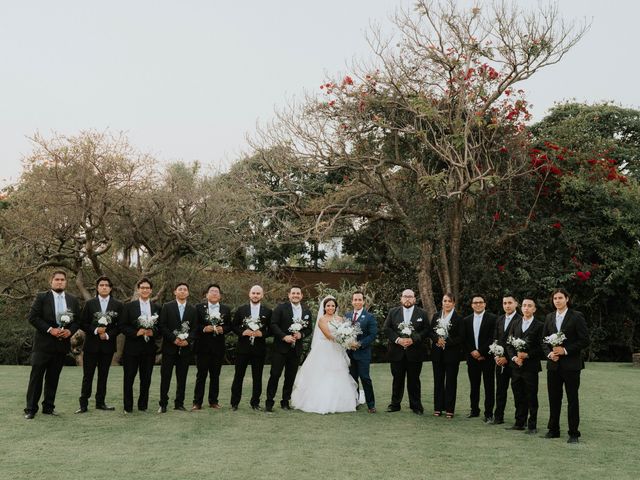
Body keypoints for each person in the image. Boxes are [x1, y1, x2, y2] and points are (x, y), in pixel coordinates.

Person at [24, 270, 81, 419]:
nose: (60, 282)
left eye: (62, 279)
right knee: (36, 378)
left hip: (61, 346)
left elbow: (77, 321)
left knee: (53, 378)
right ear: (51, 281)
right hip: (43, 346)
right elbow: (33, 317)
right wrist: (50, 330)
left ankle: (48, 407)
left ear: (66, 282)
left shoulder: (72, 300)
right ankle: (30, 409)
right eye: (57, 279)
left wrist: (69, 332)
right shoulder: (42, 297)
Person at [291, 296, 358, 414]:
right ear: (324, 307)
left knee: (338, 372)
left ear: (336, 307)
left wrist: (348, 339)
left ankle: (340, 402)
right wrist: (343, 340)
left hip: (337, 349)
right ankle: (320, 401)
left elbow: (346, 332)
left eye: (333, 305)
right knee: (323, 372)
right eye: (328, 306)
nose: (330, 308)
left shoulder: (341, 319)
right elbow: (328, 335)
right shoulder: (322, 320)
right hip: (324, 349)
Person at [542, 288, 590, 443]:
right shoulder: (549, 317)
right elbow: (543, 340)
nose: (557, 300)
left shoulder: (576, 316)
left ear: (567, 299)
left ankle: (574, 433)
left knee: (572, 399)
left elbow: (584, 340)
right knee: (553, 398)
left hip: (571, 365)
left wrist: (565, 350)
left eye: (560, 297)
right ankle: (553, 430)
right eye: (555, 298)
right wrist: (550, 354)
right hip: (553, 365)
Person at [76, 276, 123, 413]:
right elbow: (83, 323)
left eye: (106, 285)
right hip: (91, 345)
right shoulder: (90, 304)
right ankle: (83, 404)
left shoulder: (118, 305)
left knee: (103, 375)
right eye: (101, 285)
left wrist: (107, 334)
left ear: (110, 288)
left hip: (107, 346)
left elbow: (120, 326)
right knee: (88, 375)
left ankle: (100, 402)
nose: (104, 287)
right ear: (97, 288)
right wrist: (96, 330)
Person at [265, 286, 312, 412]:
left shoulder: (306, 311)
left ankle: (285, 402)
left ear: (301, 296)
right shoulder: (281, 308)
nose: (295, 295)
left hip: (296, 349)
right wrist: (284, 336)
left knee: (290, 377)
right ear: (289, 295)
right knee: (275, 375)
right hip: (280, 349)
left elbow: (308, 329)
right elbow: (273, 324)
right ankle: (269, 403)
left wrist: (301, 334)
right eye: (293, 293)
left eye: (298, 293)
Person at [383, 289, 429, 415]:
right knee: (397, 379)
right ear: (401, 298)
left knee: (414, 380)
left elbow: (426, 330)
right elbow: (386, 329)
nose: (407, 299)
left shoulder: (422, 313)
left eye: (410, 296)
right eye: (405, 296)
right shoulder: (393, 312)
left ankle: (416, 406)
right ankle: (395, 405)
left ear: (414, 299)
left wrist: (413, 340)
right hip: (396, 352)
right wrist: (398, 340)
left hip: (415, 353)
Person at [120, 278, 161, 413]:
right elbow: (122, 326)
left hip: (149, 349)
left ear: (151, 290)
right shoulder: (129, 307)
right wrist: (136, 332)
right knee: (129, 378)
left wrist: (152, 332)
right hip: (132, 349)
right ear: (138, 290)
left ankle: (143, 405)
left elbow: (161, 328)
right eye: (142, 288)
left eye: (147, 288)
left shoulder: (157, 308)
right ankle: (128, 407)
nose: (145, 290)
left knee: (146, 379)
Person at [230, 285, 272, 411]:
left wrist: (262, 334)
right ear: (249, 294)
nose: (255, 295)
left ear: (262, 295)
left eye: (258, 293)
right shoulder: (241, 310)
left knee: (257, 377)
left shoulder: (267, 311)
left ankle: (255, 403)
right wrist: (242, 332)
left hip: (259, 349)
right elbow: (234, 326)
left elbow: (272, 329)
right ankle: (234, 403)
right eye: (253, 293)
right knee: (238, 376)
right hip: (243, 348)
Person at [158, 282, 198, 413]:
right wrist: (173, 339)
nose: (182, 291)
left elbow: (195, 328)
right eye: (180, 289)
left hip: (185, 349)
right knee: (166, 376)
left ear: (188, 293)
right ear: (175, 292)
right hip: (169, 347)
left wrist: (188, 340)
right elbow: (162, 326)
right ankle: (163, 404)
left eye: (185, 289)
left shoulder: (193, 309)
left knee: (182, 377)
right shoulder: (167, 307)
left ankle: (179, 403)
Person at [506, 297, 543, 434]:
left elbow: (542, 347)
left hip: (531, 367)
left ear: (534, 309)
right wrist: (515, 358)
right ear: (521, 308)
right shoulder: (515, 323)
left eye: (529, 306)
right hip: (516, 367)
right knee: (518, 395)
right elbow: (509, 344)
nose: (526, 308)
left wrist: (527, 355)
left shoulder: (539, 325)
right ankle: (519, 422)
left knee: (531, 396)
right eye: (524, 306)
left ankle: (532, 425)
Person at [192, 283, 232, 410]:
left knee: (215, 376)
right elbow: (194, 325)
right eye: (212, 291)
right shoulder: (198, 308)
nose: (214, 293)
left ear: (220, 296)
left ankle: (213, 401)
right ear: (206, 294)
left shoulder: (225, 309)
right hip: (202, 347)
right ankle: (197, 402)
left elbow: (229, 326)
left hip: (218, 348)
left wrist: (222, 329)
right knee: (201, 375)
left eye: (217, 291)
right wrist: (204, 328)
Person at [462, 294, 497, 422]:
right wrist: (472, 351)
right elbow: (465, 339)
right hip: (472, 358)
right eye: (475, 302)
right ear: (472, 305)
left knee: (489, 386)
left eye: (480, 302)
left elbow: (493, 338)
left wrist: (481, 352)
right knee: (474, 386)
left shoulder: (493, 319)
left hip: (487, 358)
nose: (478, 304)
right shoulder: (466, 320)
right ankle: (474, 410)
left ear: (484, 304)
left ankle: (488, 413)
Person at [430, 292, 463, 419]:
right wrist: (437, 340)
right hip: (437, 354)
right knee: (438, 381)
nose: (447, 303)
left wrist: (447, 342)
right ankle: (438, 408)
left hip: (452, 354)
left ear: (453, 303)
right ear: (442, 302)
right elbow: (430, 332)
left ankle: (450, 409)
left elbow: (461, 337)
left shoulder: (458, 318)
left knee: (450, 382)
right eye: (445, 301)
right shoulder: (436, 316)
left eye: (449, 301)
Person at [344, 291, 377, 413]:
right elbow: (342, 333)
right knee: (352, 379)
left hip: (363, 353)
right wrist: (348, 343)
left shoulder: (369, 317)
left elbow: (372, 335)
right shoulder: (347, 316)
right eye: (355, 300)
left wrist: (359, 344)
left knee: (365, 378)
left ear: (363, 301)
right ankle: (355, 401)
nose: (357, 302)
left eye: (359, 300)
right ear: (352, 301)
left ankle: (371, 404)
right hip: (349, 354)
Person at [491, 295, 521, 425]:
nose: (507, 305)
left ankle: (519, 420)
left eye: (510, 303)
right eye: (504, 303)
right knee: (500, 390)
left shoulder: (521, 319)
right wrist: (497, 356)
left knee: (517, 391)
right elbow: (495, 339)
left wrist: (507, 358)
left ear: (516, 304)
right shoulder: (500, 319)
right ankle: (498, 417)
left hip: (514, 362)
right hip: (500, 362)